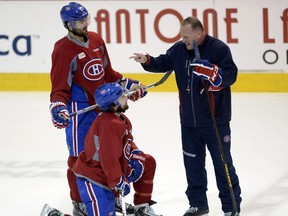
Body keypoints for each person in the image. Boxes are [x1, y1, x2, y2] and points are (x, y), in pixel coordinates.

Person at [130, 17, 242, 216]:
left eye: (187, 36)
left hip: (216, 121)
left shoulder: (218, 49)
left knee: (222, 165)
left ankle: (231, 206)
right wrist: (147, 60)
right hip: (189, 121)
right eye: (181, 36)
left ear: (199, 32)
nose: (183, 40)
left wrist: (213, 73)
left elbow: (231, 75)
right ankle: (198, 204)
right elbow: (163, 62)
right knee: (193, 165)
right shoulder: (179, 49)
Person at [48, 2, 146, 216]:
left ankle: (107, 195)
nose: (85, 24)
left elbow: (107, 73)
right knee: (79, 157)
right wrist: (58, 107)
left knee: (107, 153)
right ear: (68, 24)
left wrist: (127, 84)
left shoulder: (96, 40)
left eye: (86, 19)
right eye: (80, 21)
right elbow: (59, 87)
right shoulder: (62, 49)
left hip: (103, 108)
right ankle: (79, 202)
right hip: (80, 112)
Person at [41, 82, 162, 216]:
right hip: (94, 179)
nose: (126, 96)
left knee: (147, 161)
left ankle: (142, 208)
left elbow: (127, 142)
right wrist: (118, 182)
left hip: (106, 174)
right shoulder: (109, 125)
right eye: (122, 96)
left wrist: (135, 153)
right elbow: (108, 158)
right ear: (114, 104)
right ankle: (52, 214)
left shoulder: (120, 118)